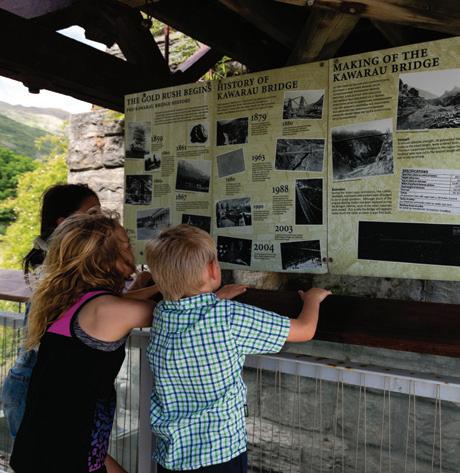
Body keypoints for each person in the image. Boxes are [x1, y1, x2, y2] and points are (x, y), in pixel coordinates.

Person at [145, 224, 331, 473]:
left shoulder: (162, 315)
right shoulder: (229, 317)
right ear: (213, 269)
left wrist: (217, 297)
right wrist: (313, 299)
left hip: (172, 455)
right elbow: (305, 329)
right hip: (219, 452)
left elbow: (193, 313)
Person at [10, 210, 158, 473]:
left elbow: (122, 304)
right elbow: (177, 312)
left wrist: (147, 286)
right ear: (105, 259)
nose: (132, 250)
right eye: (126, 245)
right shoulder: (106, 310)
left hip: (54, 447)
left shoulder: (73, 300)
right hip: (64, 459)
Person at [2, 183, 100, 438]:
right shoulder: (55, 271)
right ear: (64, 222)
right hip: (34, 384)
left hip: (40, 382)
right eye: (92, 213)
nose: (100, 221)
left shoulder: (64, 267)